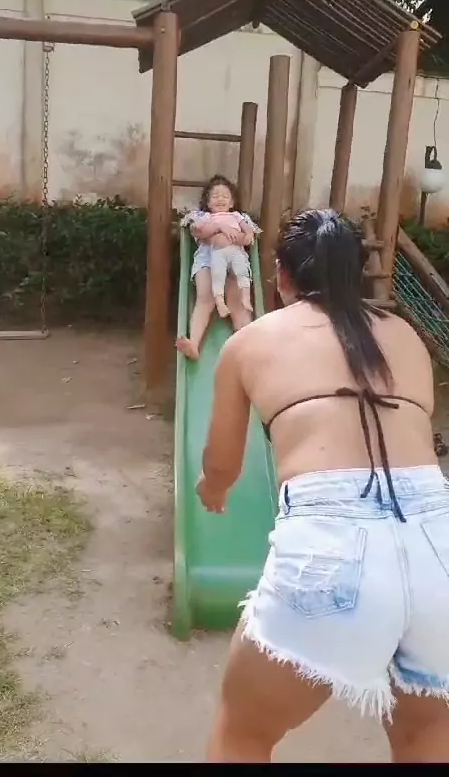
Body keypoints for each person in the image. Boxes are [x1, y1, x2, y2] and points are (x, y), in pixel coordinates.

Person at [197, 208, 449, 764]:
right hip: (439, 539)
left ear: (282, 275)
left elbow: (222, 466)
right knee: (426, 735)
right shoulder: (406, 336)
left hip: (332, 540)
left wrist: (211, 489)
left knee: (243, 733)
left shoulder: (251, 342)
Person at [176, 175, 260, 360]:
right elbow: (199, 232)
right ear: (207, 202)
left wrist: (229, 237)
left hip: (234, 259)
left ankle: (246, 349)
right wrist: (219, 226)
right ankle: (194, 344)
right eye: (215, 196)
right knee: (205, 298)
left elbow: (248, 238)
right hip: (208, 260)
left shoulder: (239, 217)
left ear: (232, 202)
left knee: (237, 303)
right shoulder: (202, 217)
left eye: (225, 196)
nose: (220, 199)